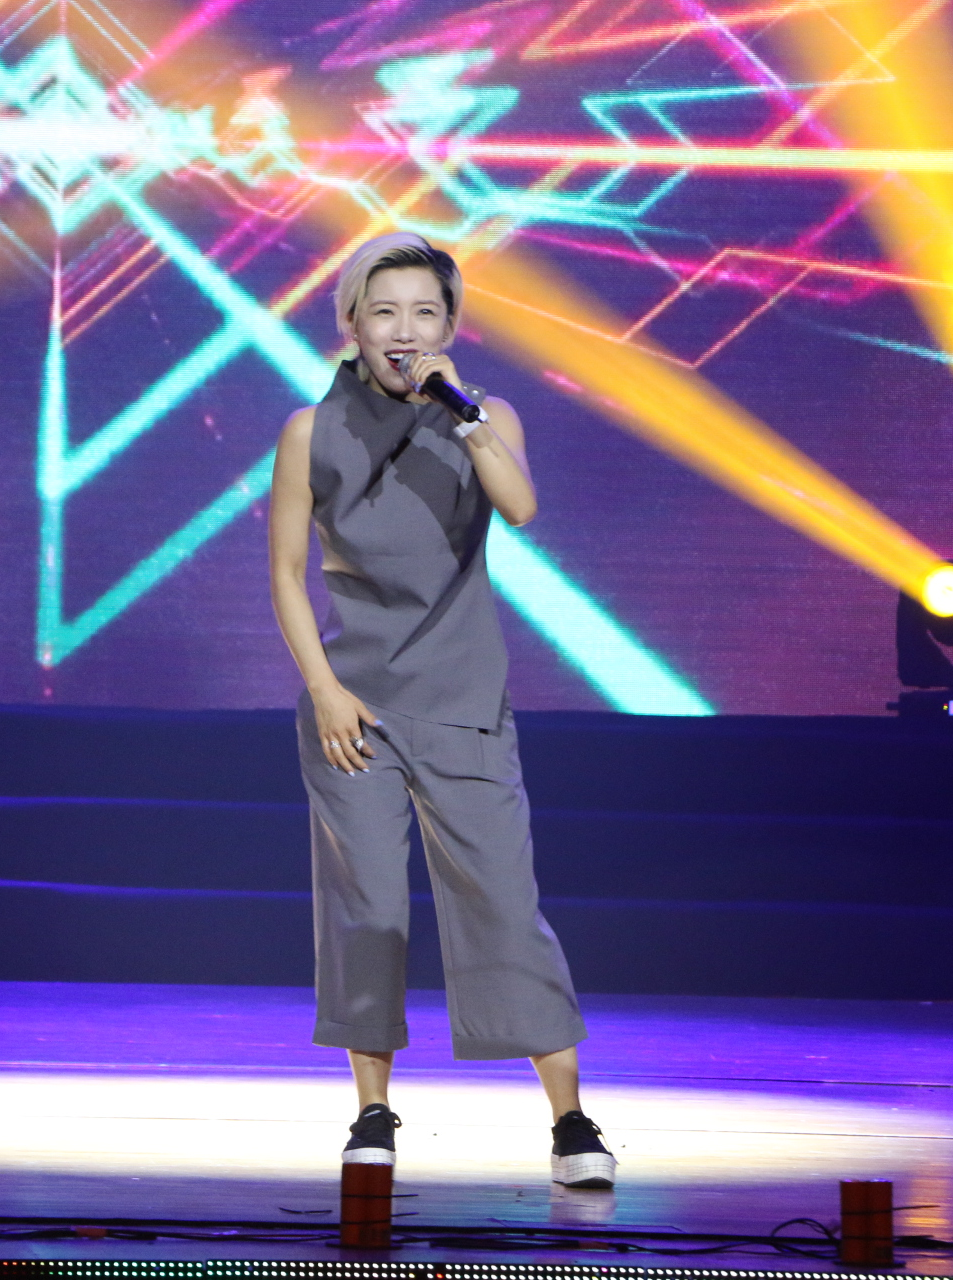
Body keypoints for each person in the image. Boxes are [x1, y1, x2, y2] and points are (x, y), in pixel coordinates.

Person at [267, 231, 615, 1188]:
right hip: (355, 706)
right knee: (368, 909)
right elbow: (287, 575)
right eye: (385, 312)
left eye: (425, 312)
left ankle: (571, 1121)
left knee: (503, 904)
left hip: (464, 697)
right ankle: (372, 1111)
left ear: (451, 326)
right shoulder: (308, 431)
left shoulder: (485, 416)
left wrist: (465, 419)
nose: (405, 331)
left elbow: (522, 507)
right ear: (351, 322)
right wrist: (325, 691)